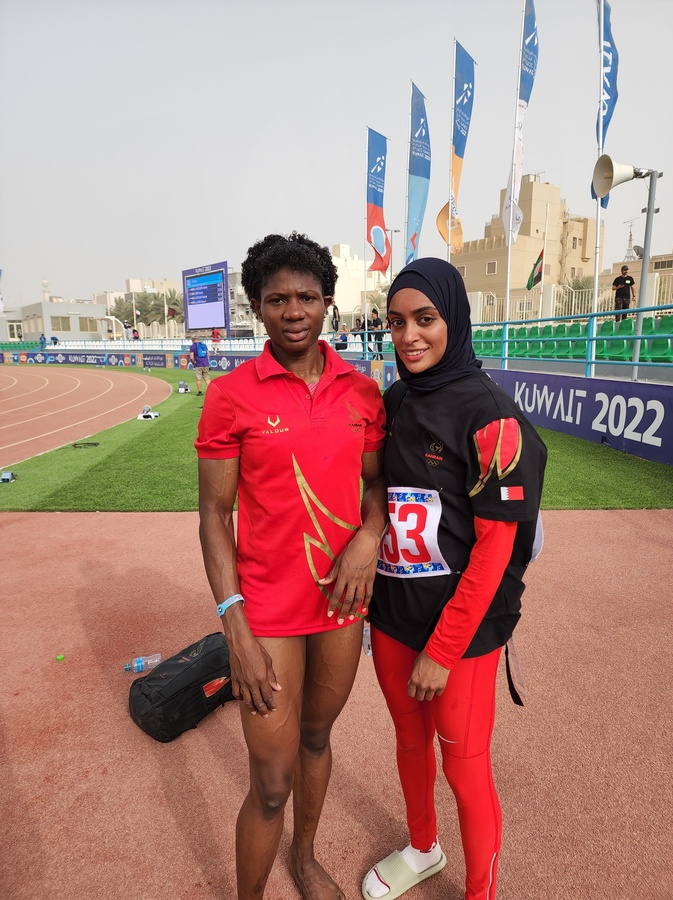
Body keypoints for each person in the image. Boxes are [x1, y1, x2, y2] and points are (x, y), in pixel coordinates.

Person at [195, 231, 387, 900]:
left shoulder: (362, 393)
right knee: (271, 780)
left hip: (338, 603)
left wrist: (369, 533)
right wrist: (234, 628)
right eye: (277, 299)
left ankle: (304, 860)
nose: (294, 311)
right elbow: (214, 516)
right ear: (257, 307)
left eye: (307, 297)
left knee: (314, 737)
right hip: (266, 611)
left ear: (328, 303)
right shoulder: (230, 396)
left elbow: (375, 485)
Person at [362, 258, 547, 900]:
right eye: (395, 323)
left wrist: (442, 650)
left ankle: (481, 891)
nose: (408, 335)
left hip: (461, 633)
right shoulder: (393, 401)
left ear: (453, 319)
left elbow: (495, 553)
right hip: (392, 614)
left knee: (464, 766)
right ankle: (422, 848)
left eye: (425, 319)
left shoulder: (493, 414)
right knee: (409, 746)